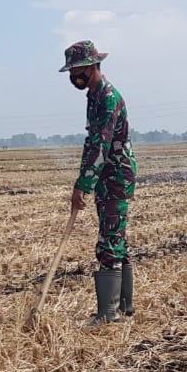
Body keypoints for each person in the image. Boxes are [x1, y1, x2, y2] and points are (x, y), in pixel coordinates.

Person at [59, 40, 138, 327]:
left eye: (77, 69)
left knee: (109, 241)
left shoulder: (107, 97)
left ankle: (108, 313)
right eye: (71, 71)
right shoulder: (93, 96)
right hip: (106, 175)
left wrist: (83, 185)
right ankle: (125, 306)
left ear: (92, 66)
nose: (73, 76)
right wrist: (83, 180)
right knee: (117, 238)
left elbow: (102, 146)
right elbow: (90, 143)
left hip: (116, 175)